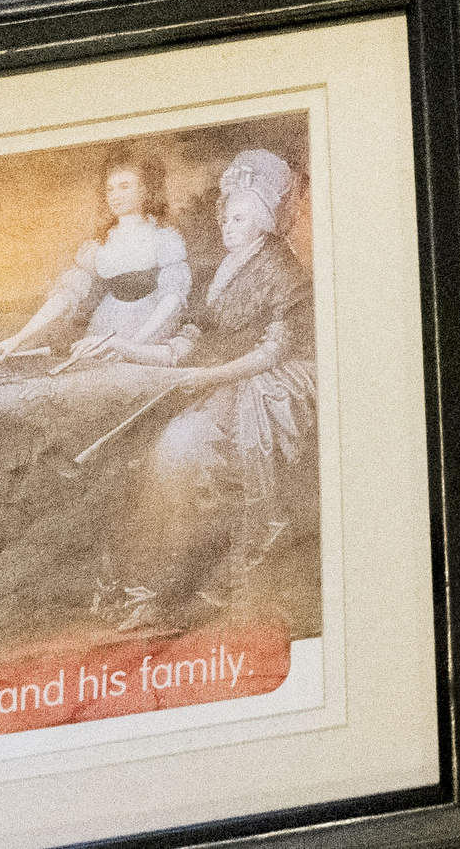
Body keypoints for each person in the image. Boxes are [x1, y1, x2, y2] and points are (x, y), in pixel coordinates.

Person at [111, 151, 319, 633]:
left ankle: (191, 585)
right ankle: (152, 584)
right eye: (225, 212)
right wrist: (131, 349)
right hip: (212, 384)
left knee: (179, 450)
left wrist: (207, 377)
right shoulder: (224, 269)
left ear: (266, 221)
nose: (226, 221)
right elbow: (193, 336)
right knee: (141, 446)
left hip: (254, 391)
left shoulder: (282, 271)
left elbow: (273, 351)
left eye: (240, 214)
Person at [0, 152, 191, 369]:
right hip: (105, 325)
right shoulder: (99, 244)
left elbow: (172, 299)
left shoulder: (164, 238)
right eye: (110, 189)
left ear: (145, 190)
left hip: (148, 326)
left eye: (125, 187)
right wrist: (17, 339)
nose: (115, 195)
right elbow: (66, 296)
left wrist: (131, 346)